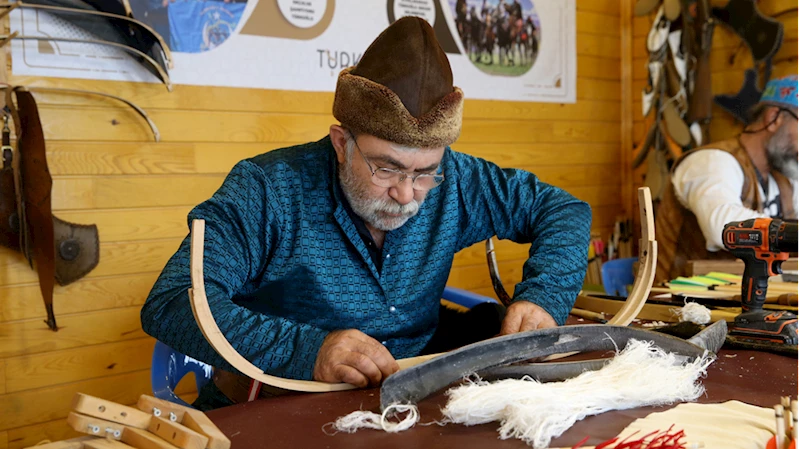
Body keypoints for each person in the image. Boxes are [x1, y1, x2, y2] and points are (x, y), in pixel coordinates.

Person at [140, 16, 591, 410]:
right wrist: (308, 350)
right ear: (341, 143)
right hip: (277, 406)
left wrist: (543, 296)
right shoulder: (267, 188)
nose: (405, 193)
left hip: (413, 403)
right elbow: (172, 301)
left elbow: (564, 210)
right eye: (385, 167)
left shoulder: (456, 180)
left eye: (425, 172)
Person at [655, 75, 798, 282]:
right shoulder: (712, 161)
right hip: (680, 304)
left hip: (746, 300)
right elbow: (720, 227)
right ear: (774, 118)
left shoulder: (785, 175)